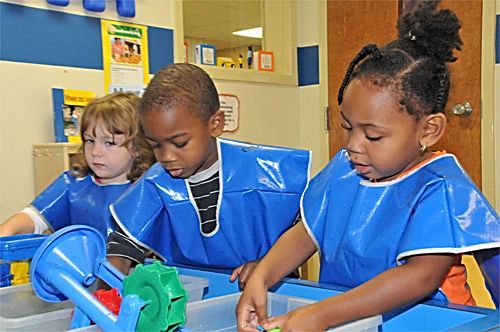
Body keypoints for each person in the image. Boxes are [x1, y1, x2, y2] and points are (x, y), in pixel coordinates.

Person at [237, 2, 500, 331]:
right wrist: (261, 278)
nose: (353, 144)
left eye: (372, 135)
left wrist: (320, 315)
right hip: (347, 315)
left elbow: (419, 278)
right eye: (348, 127)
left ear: (428, 130)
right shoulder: (344, 169)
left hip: (435, 321)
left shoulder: (440, 186)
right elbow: (305, 233)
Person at [106, 63, 311, 286]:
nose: (166, 156)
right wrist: (105, 298)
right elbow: (122, 248)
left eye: (180, 143)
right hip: (190, 296)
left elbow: (307, 233)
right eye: (155, 145)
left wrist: (268, 265)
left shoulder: (267, 172)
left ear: (215, 124)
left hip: (269, 293)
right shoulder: (155, 183)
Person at [0, 92, 155, 239]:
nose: (95, 152)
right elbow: (31, 218)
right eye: (89, 140)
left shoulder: (147, 191)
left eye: (109, 143)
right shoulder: (74, 183)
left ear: (137, 148)